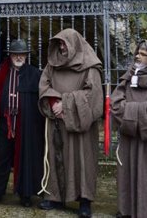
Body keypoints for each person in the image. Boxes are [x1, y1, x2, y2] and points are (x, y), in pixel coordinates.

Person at [38, 28, 103, 218]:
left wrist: (65, 105)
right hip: (56, 123)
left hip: (80, 125)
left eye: (64, 43)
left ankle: (84, 200)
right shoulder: (52, 65)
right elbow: (44, 85)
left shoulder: (90, 66)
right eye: (59, 44)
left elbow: (94, 96)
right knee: (55, 157)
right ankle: (55, 197)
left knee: (82, 161)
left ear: (74, 44)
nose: (61, 47)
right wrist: (53, 105)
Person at [0, 39, 44, 207]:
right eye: (15, 54)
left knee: (25, 159)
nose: (18, 57)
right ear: (10, 55)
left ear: (26, 56)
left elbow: (40, 102)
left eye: (21, 54)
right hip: (3, 125)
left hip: (25, 126)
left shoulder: (35, 74)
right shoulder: (0, 71)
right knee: (1, 159)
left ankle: (25, 194)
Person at [110, 40, 147, 218]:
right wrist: (132, 115)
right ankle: (127, 209)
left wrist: (132, 112)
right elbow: (116, 103)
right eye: (138, 53)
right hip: (129, 134)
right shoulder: (129, 75)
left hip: (145, 137)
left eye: (144, 54)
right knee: (127, 172)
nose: (138, 56)